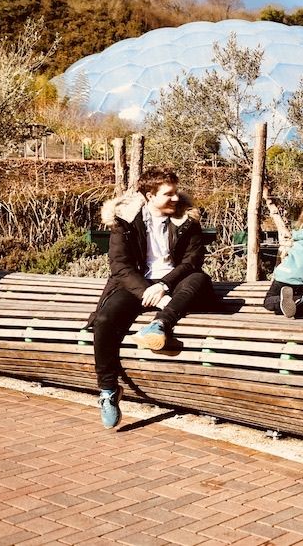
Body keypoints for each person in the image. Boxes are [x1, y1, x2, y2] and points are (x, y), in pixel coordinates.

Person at [86, 167, 214, 429]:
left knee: (199, 279)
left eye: (176, 192)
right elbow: (120, 267)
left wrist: (164, 286)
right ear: (149, 195)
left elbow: (192, 261)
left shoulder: (187, 221)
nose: (176, 199)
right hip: (136, 284)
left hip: (177, 282)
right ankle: (108, 390)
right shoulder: (125, 221)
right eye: (169, 194)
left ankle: (160, 324)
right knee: (105, 320)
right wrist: (147, 290)